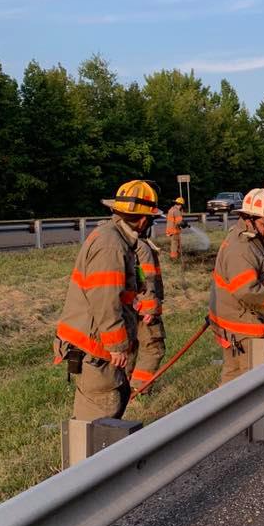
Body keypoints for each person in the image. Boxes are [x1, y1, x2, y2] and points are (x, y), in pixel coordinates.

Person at [54, 180, 162, 420]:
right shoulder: (111, 245)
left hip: (96, 343)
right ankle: (92, 458)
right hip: (95, 348)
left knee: (113, 401)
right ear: (143, 220)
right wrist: (116, 345)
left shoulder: (115, 239)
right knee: (100, 414)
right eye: (152, 220)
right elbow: (105, 299)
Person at [208, 188, 264, 397]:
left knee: (244, 376)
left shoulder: (259, 240)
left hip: (247, 322)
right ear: (248, 219)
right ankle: (245, 426)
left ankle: (258, 424)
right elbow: (247, 291)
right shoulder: (240, 249)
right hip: (240, 327)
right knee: (249, 380)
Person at [127, 230, 166, 394]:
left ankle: (124, 387)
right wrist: (149, 308)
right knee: (154, 347)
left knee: (130, 348)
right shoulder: (141, 247)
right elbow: (145, 280)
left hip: (129, 307)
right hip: (143, 309)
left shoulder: (124, 243)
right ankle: (138, 388)